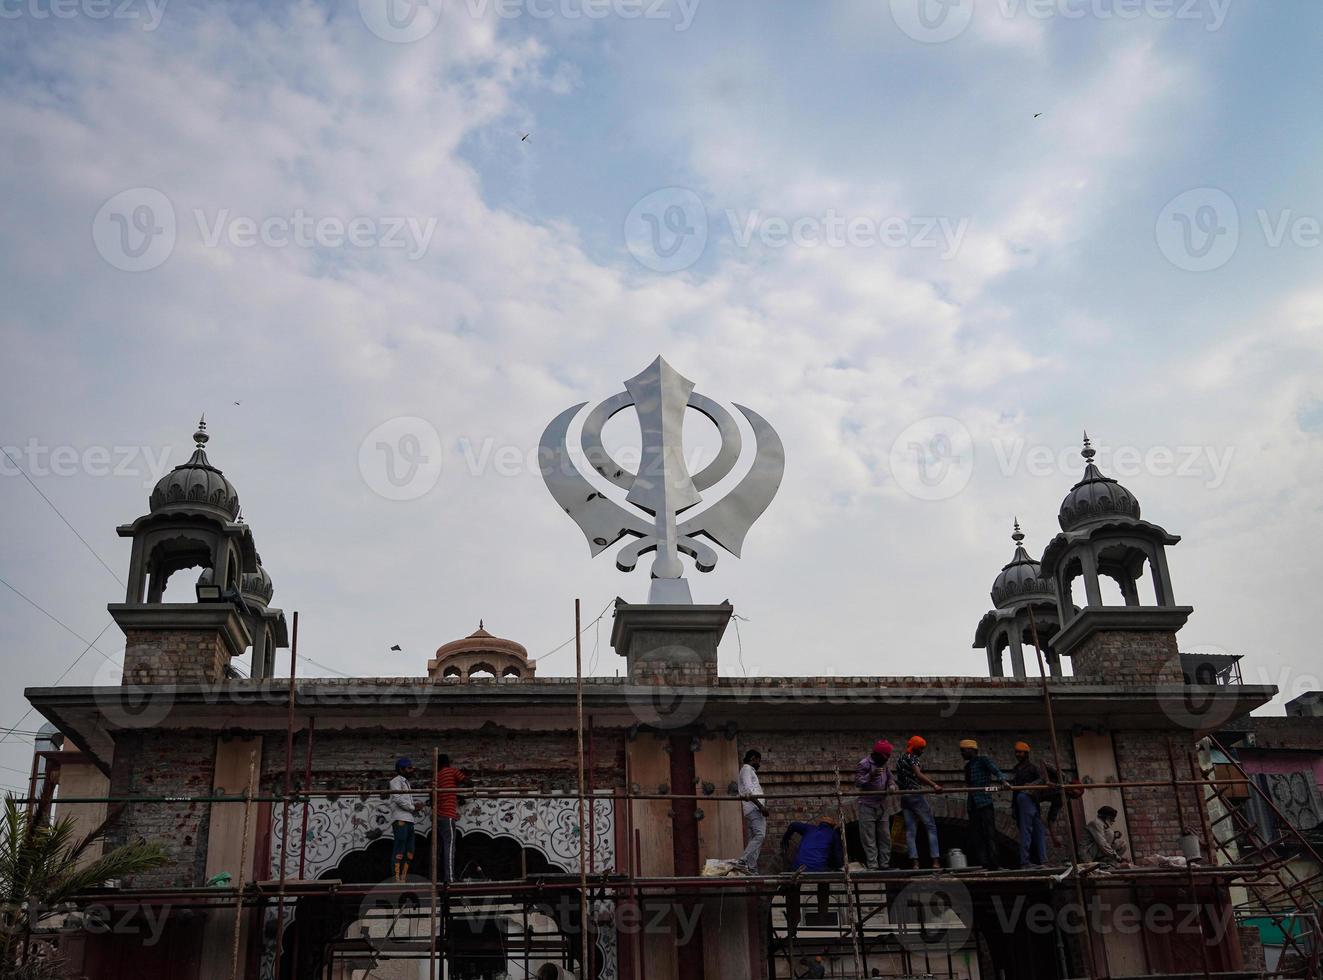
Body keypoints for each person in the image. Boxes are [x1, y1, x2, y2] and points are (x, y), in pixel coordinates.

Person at [960, 739, 1011, 870]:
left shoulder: (983, 760)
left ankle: (995, 864)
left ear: (971, 750)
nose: (962, 753)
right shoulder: (967, 767)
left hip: (984, 802)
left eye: (964, 750)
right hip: (973, 805)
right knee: (977, 835)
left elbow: (995, 770)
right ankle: (984, 863)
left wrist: (1003, 781)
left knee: (990, 834)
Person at [895, 736, 943, 869]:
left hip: (904, 796)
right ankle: (935, 861)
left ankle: (915, 863)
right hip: (915, 794)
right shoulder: (913, 757)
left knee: (911, 831)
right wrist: (935, 785)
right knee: (931, 827)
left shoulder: (900, 759)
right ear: (915, 748)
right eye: (921, 748)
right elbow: (918, 774)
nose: (922, 751)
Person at [855, 739, 895, 871]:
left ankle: (884, 864)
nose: (887, 759)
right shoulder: (864, 764)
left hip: (882, 805)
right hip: (867, 805)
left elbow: (890, 778)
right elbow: (858, 783)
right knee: (869, 838)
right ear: (877, 753)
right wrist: (870, 775)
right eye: (886, 756)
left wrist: (891, 785)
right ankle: (873, 865)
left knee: (885, 837)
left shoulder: (884, 763)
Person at [433, 753, 473, 883]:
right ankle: (449, 878)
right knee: (449, 847)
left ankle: (438, 875)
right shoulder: (451, 771)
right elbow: (467, 782)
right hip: (448, 815)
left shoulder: (436, 776)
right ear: (448, 763)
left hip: (438, 815)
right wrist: (470, 780)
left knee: (441, 846)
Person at [1008, 741, 1049, 867]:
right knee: (1026, 831)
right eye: (1016, 752)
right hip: (1024, 799)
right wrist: (1014, 807)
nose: (1018, 754)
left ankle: (1043, 861)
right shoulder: (1017, 769)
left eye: (1020, 752)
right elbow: (1015, 791)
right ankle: (1025, 861)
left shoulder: (1032, 768)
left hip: (1030, 800)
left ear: (1026, 753)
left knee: (1039, 831)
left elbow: (1043, 779)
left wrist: (1031, 786)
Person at [389, 757, 426, 881]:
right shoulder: (396, 781)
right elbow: (398, 799)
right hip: (400, 819)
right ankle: (396, 879)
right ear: (401, 769)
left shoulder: (406, 782)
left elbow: (404, 800)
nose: (411, 771)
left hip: (408, 820)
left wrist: (416, 804)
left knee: (410, 851)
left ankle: (403, 877)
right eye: (409, 768)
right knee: (399, 849)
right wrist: (413, 807)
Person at [734, 749, 769, 873]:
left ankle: (752, 868)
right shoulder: (747, 769)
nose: (759, 764)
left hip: (752, 809)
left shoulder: (748, 771)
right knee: (760, 835)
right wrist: (761, 807)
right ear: (753, 758)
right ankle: (743, 861)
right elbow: (749, 792)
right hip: (754, 809)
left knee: (755, 839)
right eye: (758, 761)